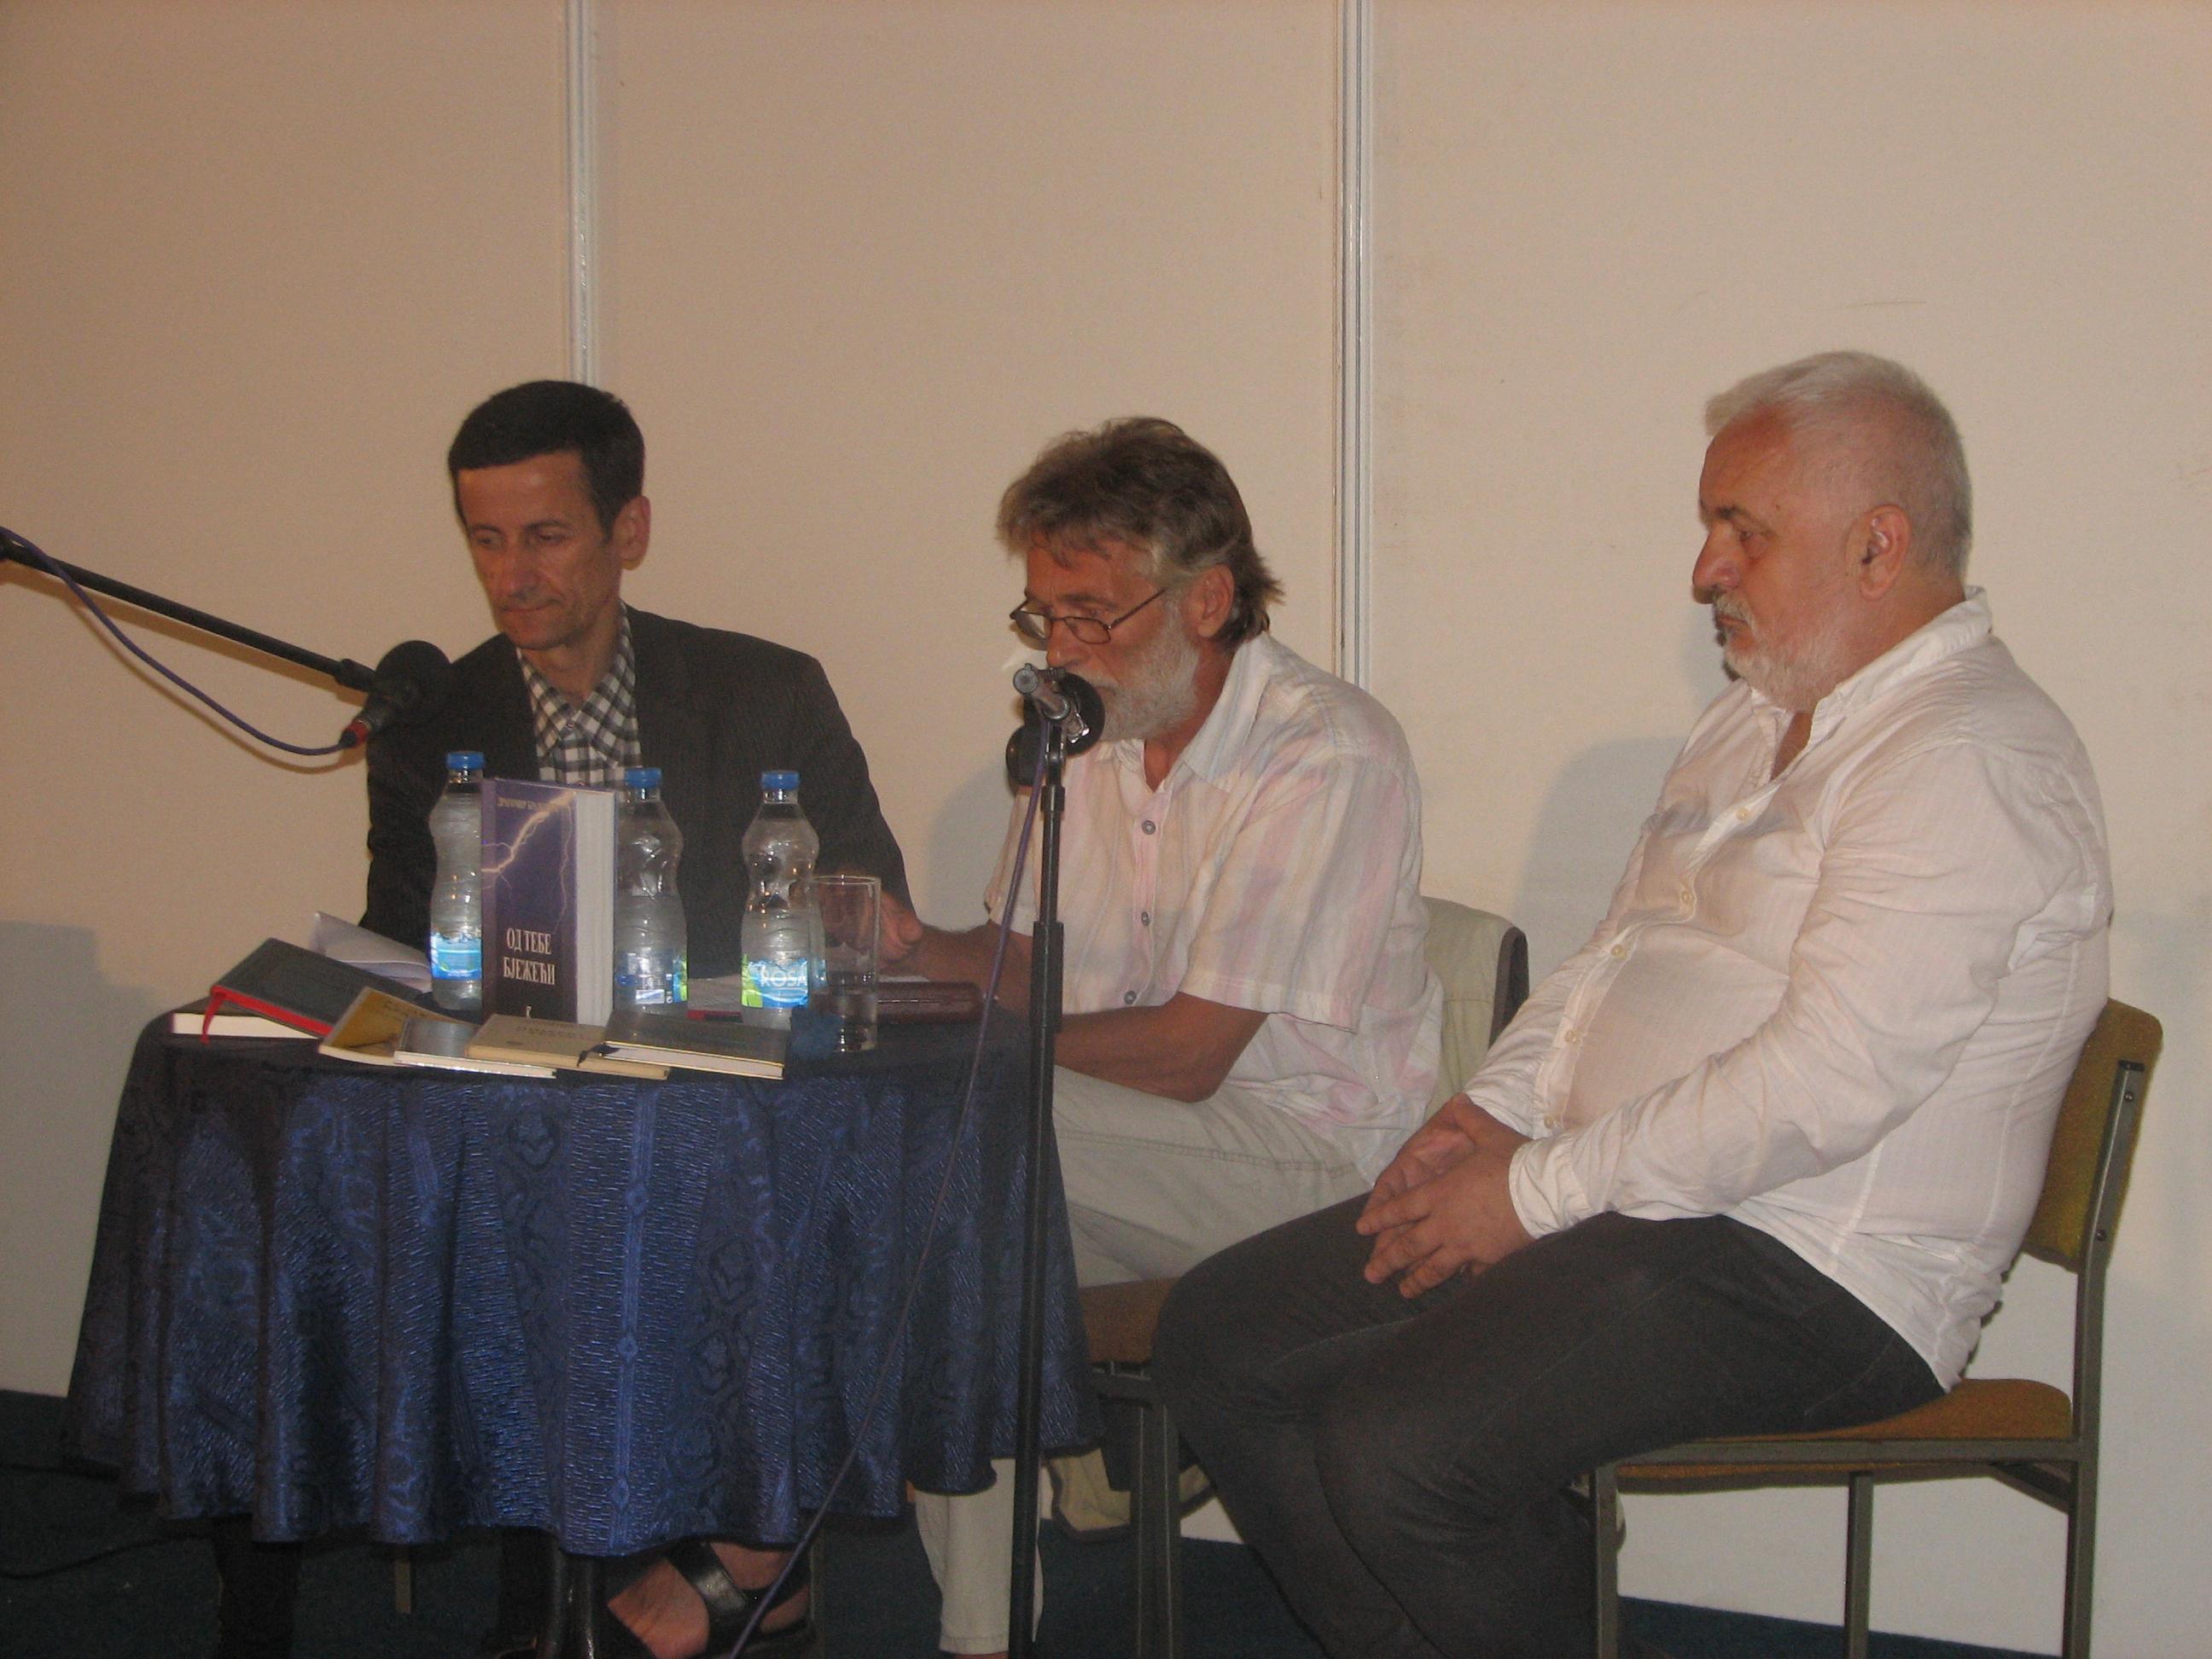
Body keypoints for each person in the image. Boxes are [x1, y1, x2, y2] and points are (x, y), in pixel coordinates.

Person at [1149, 352, 2113, 1659]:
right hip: (1641, 1203)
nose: (1706, 570)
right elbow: (1617, 959)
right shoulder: (1755, 716)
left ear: (1878, 546)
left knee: (1402, 1447)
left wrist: (1530, 1193)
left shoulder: (1970, 755)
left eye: (1743, 531)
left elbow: (1825, 1085)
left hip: (1821, 1267)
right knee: (1223, 1338)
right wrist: (1491, 1115)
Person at [213, 380, 905, 1659]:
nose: (511, 576)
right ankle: (600, 1583)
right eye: (485, 540)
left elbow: (867, 908)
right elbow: (410, 944)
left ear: (627, 531)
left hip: (714, 1128)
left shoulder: (763, 692)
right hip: (513, 1129)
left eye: (544, 537)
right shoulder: (437, 724)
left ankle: (693, 1565)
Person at [881, 416, 1443, 1657]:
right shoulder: (1088, 738)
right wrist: (906, 947)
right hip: (1138, 1150)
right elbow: (1030, 969)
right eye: (1044, 616)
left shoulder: (1323, 749)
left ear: (1209, 599)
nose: (1061, 651)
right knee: (944, 1206)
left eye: (1091, 616)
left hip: (1318, 1169)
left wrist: (976, 1048)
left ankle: (980, 1570)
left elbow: (1189, 1053)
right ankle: (983, 1627)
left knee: (960, 1128)